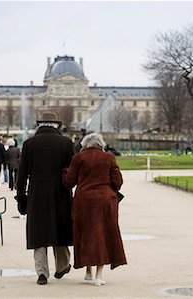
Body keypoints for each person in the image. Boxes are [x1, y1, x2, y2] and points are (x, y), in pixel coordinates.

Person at [16, 112, 75, 285]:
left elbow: (22, 175)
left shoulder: (29, 144)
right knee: (60, 228)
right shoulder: (65, 143)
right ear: (56, 125)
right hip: (60, 191)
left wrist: (21, 198)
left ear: (40, 125)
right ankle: (62, 266)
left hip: (37, 191)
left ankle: (42, 273)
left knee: (38, 231)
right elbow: (73, 171)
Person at [62, 132, 127, 286]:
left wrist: (64, 172)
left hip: (84, 200)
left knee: (85, 234)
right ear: (101, 144)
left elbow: (69, 182)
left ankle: (88, 271)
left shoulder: (79, 158)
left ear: (85, 144)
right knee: (102, 234)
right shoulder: (109, 158)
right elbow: (118, 181)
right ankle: (99, 274)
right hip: (105, 201)